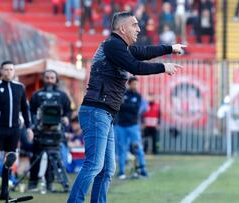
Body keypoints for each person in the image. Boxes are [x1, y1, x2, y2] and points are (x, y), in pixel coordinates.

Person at [67, 11, 185, 203]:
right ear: (122, 28)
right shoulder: (113, 45)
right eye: (135, 25)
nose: (139, 29)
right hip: (96, 111)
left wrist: (171, 48)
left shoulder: (121, 47)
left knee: (106, 169)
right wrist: (164, 67)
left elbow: (144, 52)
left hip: (105, 113)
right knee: (94, 165)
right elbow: (135, 67)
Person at [0, 61, 33, 201]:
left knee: (9, 160)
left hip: (14, 130)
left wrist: (29, 128)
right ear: (1, 71)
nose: (8, 72)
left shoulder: (20, 88)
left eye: (11, 69)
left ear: (14, 71)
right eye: (6, 69)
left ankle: (4, 192)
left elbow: (25, 109)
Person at [27, 69, 72, 193]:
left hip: (55, 132)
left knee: (53, 159)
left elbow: (69, 110)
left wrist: (66, 118)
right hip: (40, 131)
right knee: (36, 157)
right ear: (44, 79)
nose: (49, 80)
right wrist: (34, 121)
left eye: (52, 78)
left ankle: (49, 183)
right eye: (47, 77)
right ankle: (32, 183)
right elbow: (30, 111)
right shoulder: (37, 95)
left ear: (56, 80)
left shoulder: (62, 96)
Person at [115, 77, 147, 179]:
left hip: (133, 125)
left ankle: (142, 169)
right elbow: (119, 106)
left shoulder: (138, 96)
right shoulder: (122, 94)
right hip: (121, 126)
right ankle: (121, 171)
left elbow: (136, 109)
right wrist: (129, 106)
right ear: (129, 84)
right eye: (133, 84)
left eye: (136, 84)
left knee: (138, 147)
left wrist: (125, 105)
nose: (135, 86)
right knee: (122, 148)